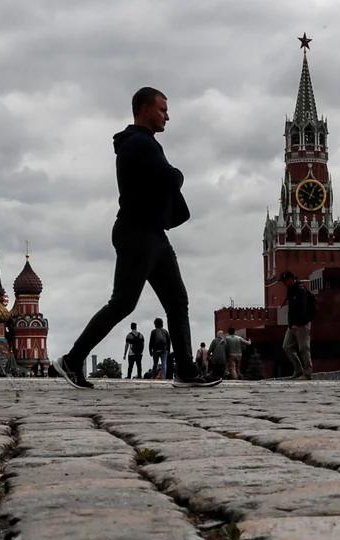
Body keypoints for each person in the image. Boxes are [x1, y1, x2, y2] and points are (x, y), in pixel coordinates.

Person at [51, 87, 219, 389]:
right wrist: (178, 175)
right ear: (144, 109)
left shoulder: (143, 143)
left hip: (152, 234)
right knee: (123, 304)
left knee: (177, 301)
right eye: (162, 109)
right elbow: (170, 178)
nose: (167, 115)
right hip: (137, 233)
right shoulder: (139, 144)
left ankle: (185, 372)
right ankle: (72, 360)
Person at [280, 271, 316, 380]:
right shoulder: (291, 290)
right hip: (293, 324)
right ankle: (299, 370)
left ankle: (308, 373)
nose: (284, 284)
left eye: (285, 281)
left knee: (304, 348)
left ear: (291, 279)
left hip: (302, 324)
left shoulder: (301, 290)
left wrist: (298, 323)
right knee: (286, 346)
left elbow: (302, 309)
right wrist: (291, 324)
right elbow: (291, 310)